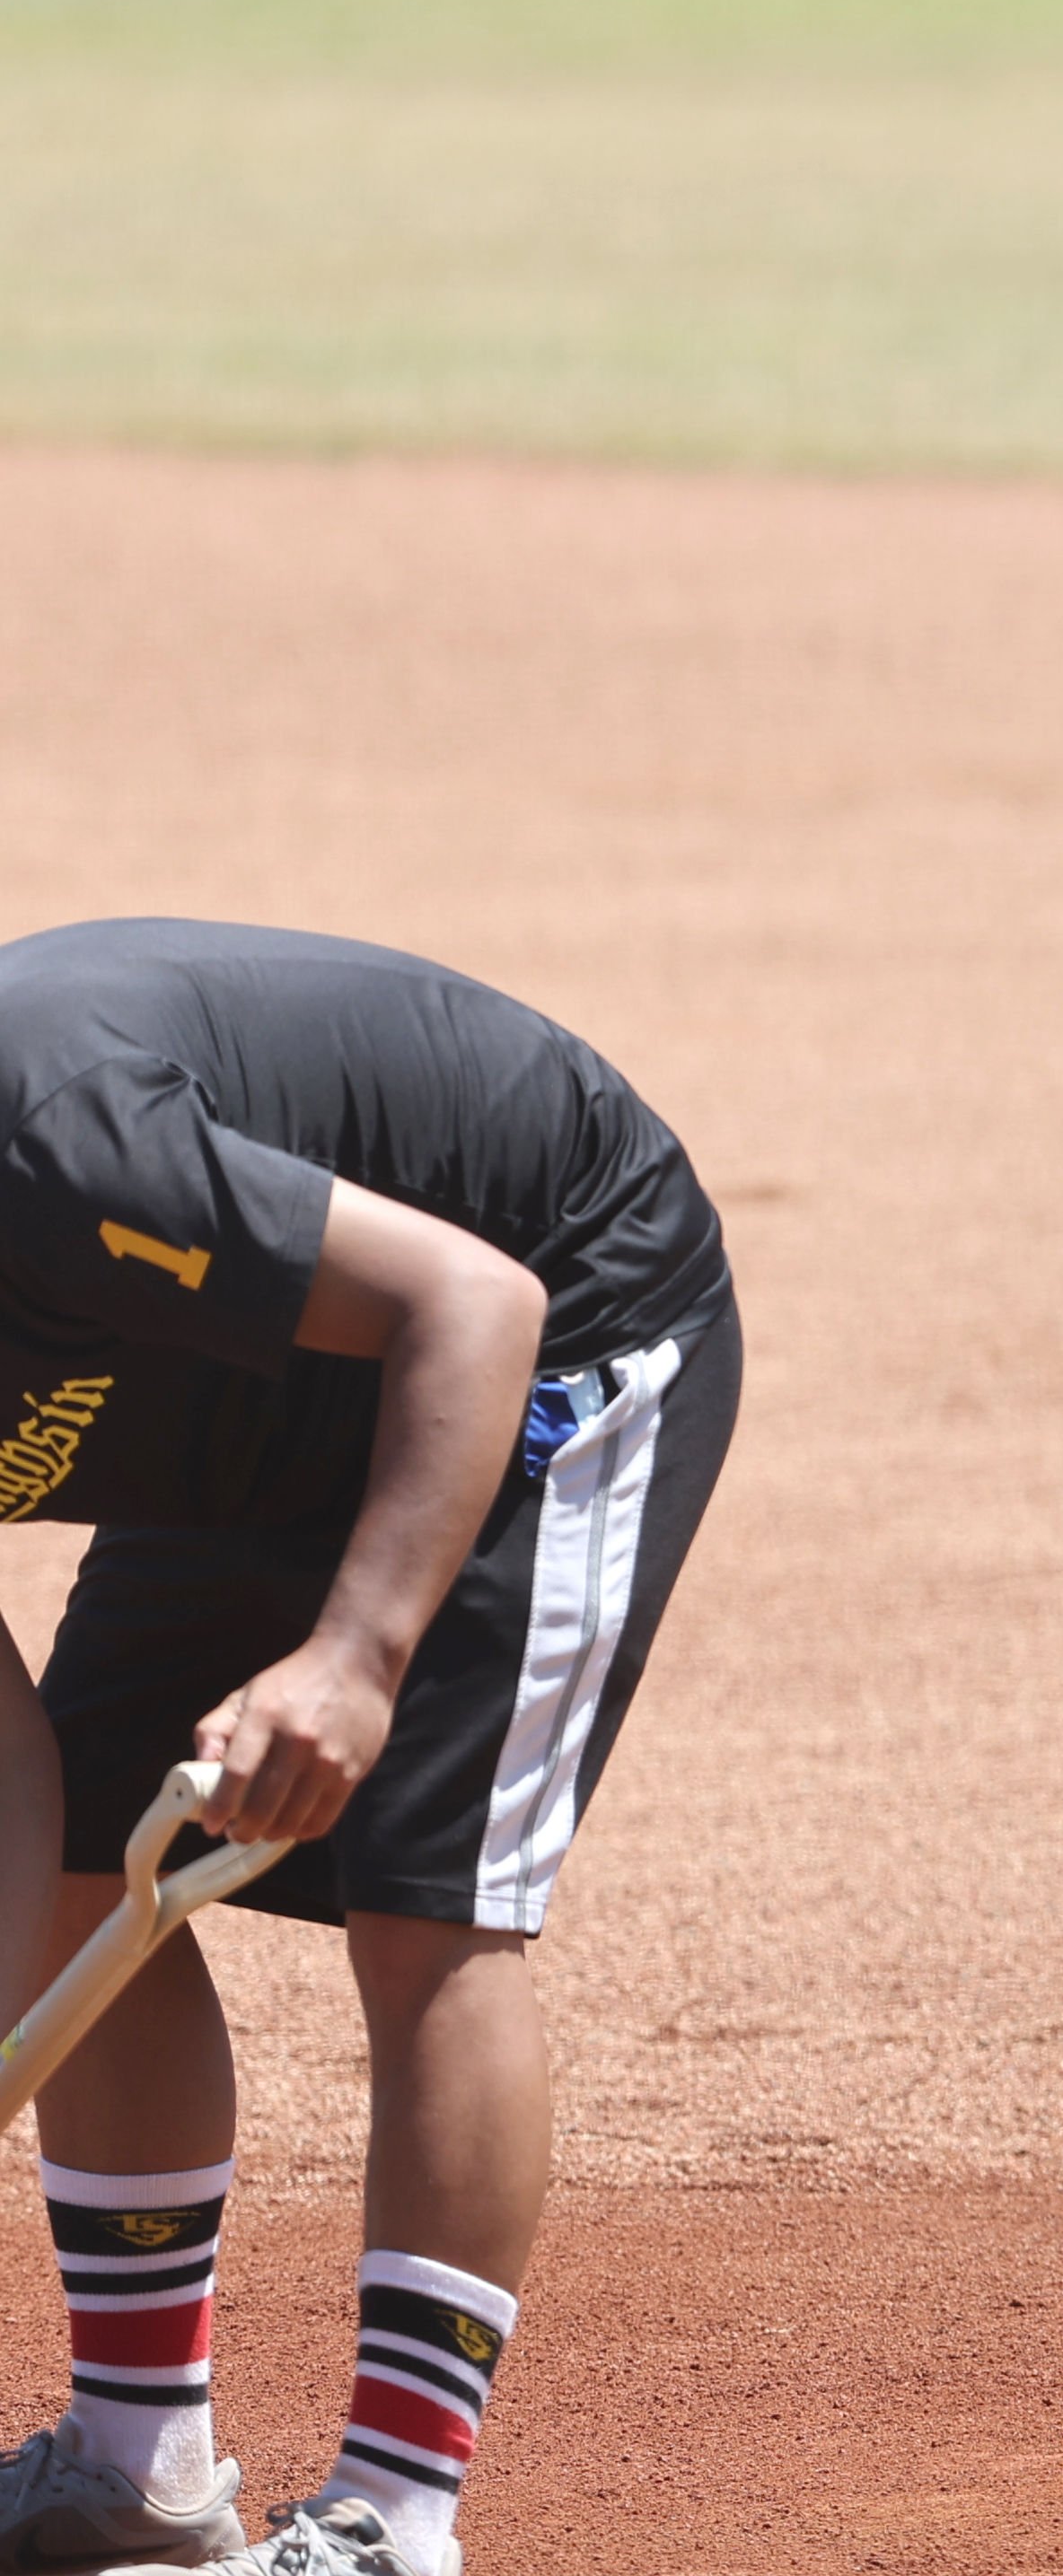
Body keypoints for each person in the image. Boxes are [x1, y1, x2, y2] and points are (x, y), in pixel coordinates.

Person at [0, 922, 742, 2575]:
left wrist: (356, 1652)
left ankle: (396, 2519)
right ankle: (138, 2465)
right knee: (78, 1882)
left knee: (426, 1908)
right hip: (246, 1397)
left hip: (547, 1303)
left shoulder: (43, 1134)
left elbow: (476, 1305)